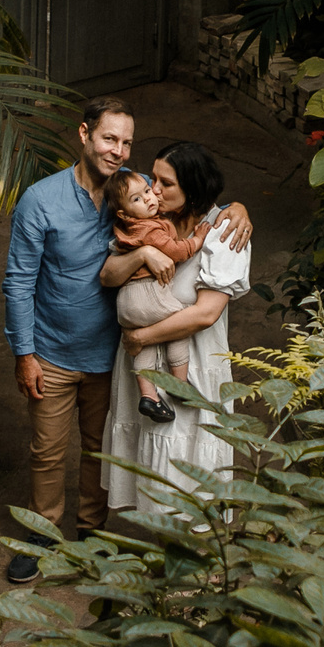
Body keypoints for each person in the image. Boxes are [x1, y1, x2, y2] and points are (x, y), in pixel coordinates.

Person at [1, 98, 251, 584]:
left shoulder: (139, 188)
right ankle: (41, 533)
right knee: (47, 452)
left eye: (126, 142)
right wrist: (24, 353)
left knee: (100, 452)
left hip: (109, 353)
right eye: (108, 138)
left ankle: (93, 535)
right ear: (84, 134)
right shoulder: (41, 200)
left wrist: (239, 207)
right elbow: (18, 282)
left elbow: (195, 193)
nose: (117, 151)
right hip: (52, 350)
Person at [100, 140, 252, 530]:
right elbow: (108, 276)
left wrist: (142, 337)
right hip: (146, 370)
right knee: (155, 475)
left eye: (166, 184)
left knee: (191, 471)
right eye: (153, 180)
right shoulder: (145, 222)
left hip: (191, 366)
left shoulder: (225, 231)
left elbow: (205, 314)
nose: (153, 190)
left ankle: (202, 571)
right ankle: (168, 567)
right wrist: (140, 255)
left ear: (193, 189)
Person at [101, 169, 204, 425]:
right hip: (147, 293)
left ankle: (149, 397)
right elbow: (178, 252)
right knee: (178, 325)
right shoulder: (149, 230)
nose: (149, 197)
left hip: (126, 302)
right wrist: (198, 239)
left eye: (147, 191)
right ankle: (179, 384)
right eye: (137, 199)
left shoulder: (130, 228)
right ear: (123, 213)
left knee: (147, 343)